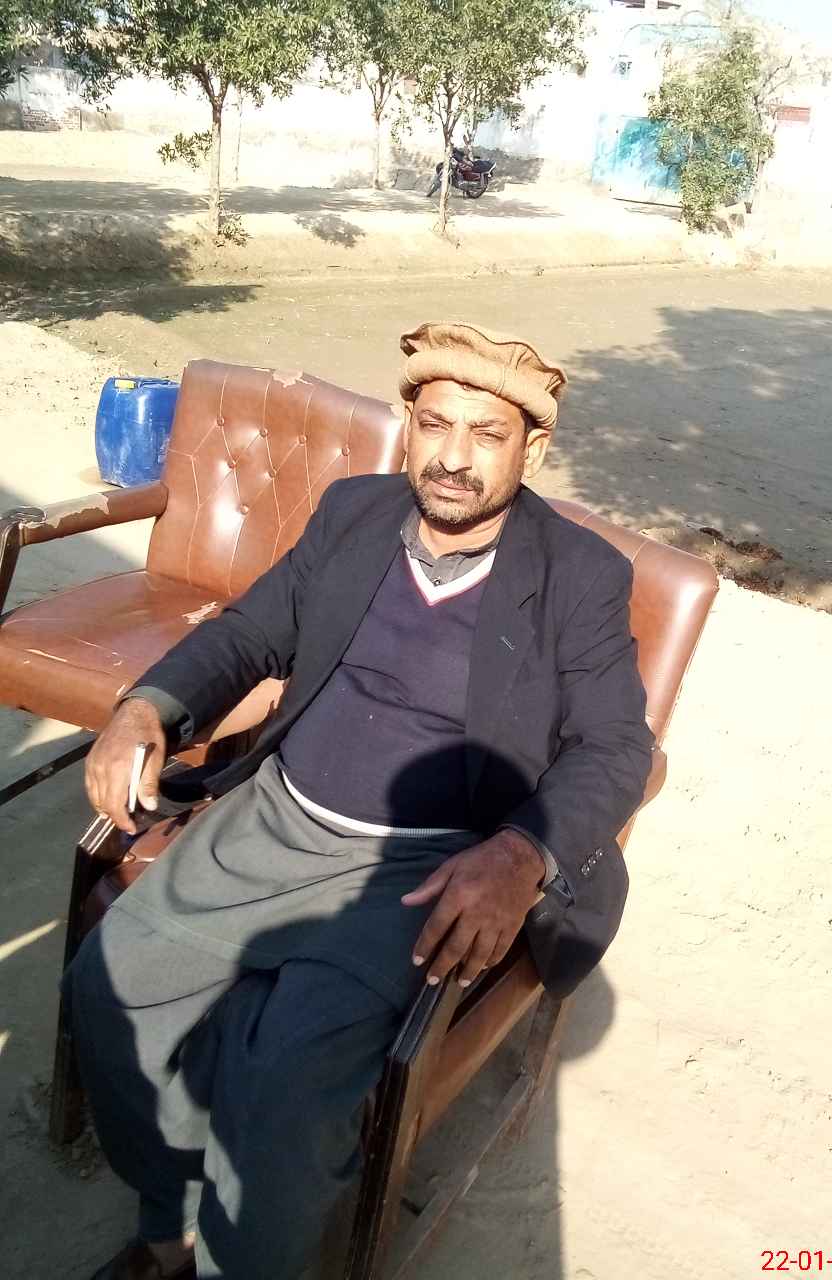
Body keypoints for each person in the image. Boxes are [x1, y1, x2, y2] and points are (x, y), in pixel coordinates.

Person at [65, 321, 654, 1280]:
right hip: (277, 817)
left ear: (533, 450)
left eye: (487, 434)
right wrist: (148, 707)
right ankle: (169, 1223)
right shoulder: (354, 513)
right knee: (112, 983)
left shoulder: (579, 576)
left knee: (284, 1088)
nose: (454, 458)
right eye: (435, 425)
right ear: (407, 425)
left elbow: (616, 745)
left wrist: (520, 855)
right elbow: (252, 633)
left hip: (420, 869)